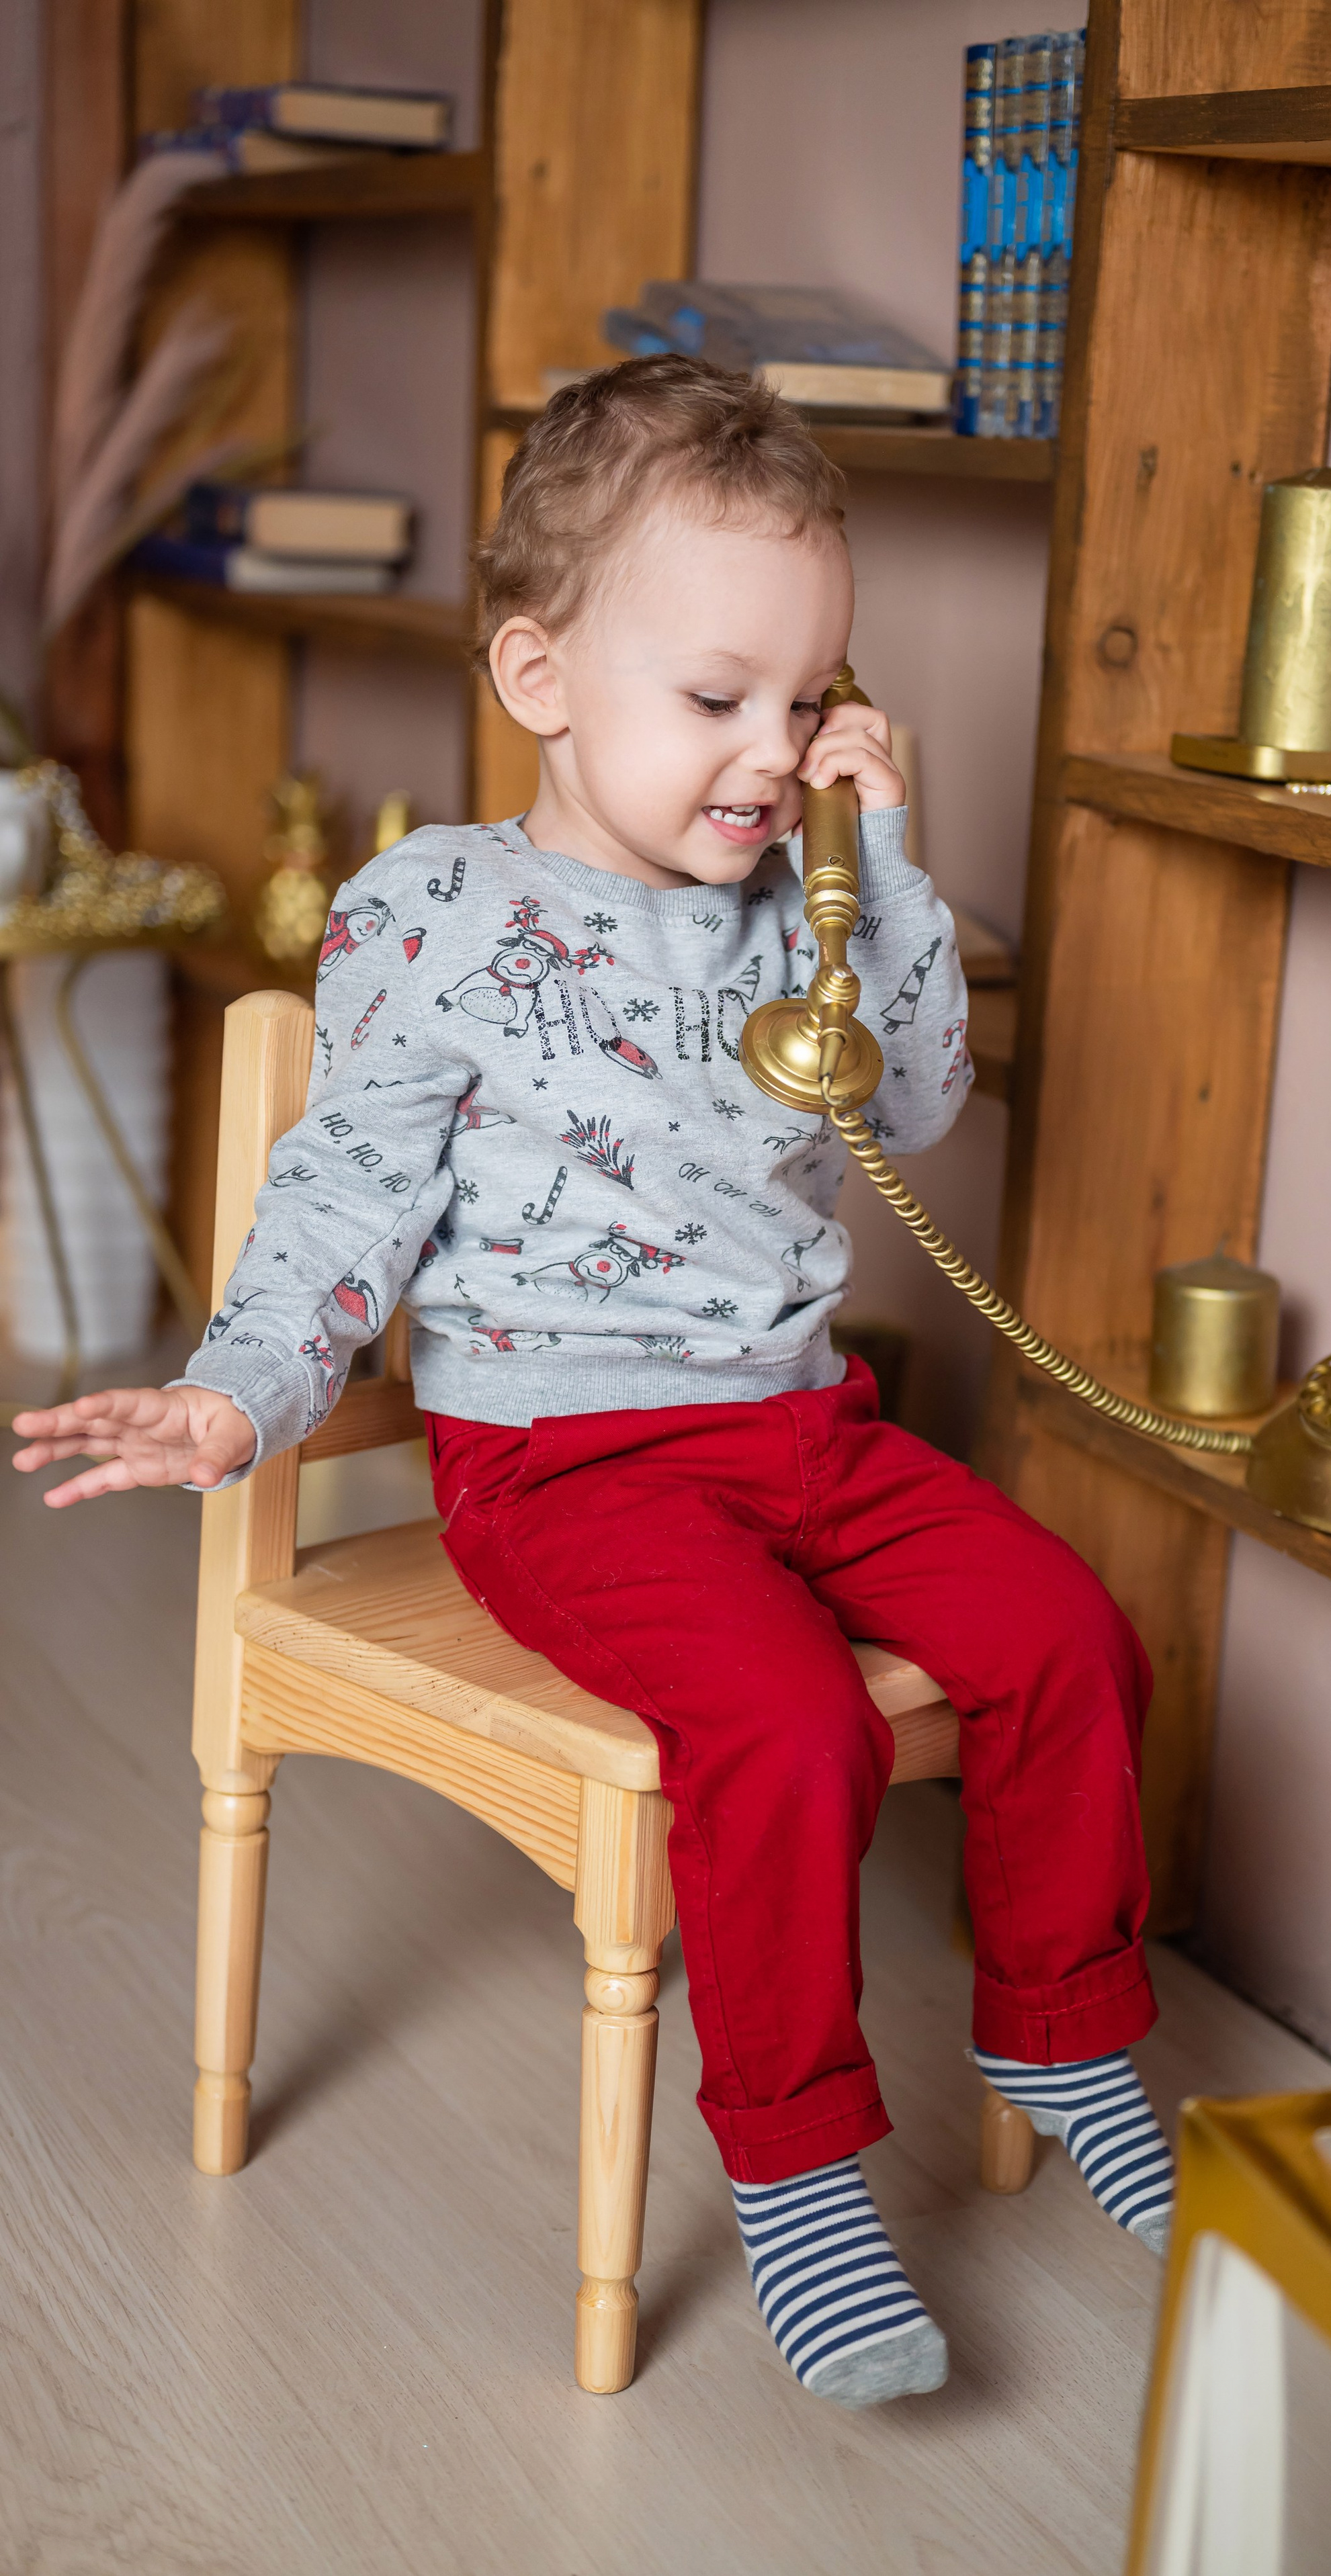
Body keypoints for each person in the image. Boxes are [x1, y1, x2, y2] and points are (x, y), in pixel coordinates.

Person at [12, 355, 1174, 2408]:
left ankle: (1063, 2022)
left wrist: (876, 850)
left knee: (1070, 1630)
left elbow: (916, 1087)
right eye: (718, 699)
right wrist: (235, 1393)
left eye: (808, 702)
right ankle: (805, 2164)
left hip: (807, 1427)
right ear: (540, 674)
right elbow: (342, 1196)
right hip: (569, 1464)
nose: (768, 751)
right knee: (791, 1724)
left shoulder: (784, 908)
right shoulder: (442, 914)